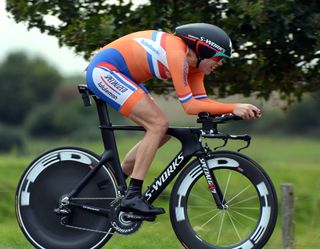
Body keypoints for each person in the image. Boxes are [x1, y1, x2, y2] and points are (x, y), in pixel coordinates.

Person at [86, 23, 261, 217]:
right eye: (219, 58)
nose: (220, 63)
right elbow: (190, 106)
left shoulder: (195, 68)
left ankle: (111, 184)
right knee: (158, 125)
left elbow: (202, 103)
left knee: (162, 133)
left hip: (122, 76)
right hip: (104, 71)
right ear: (204, 49)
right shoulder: (177, 53)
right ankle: (133, 195)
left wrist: (231, 113)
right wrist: (233, 107)